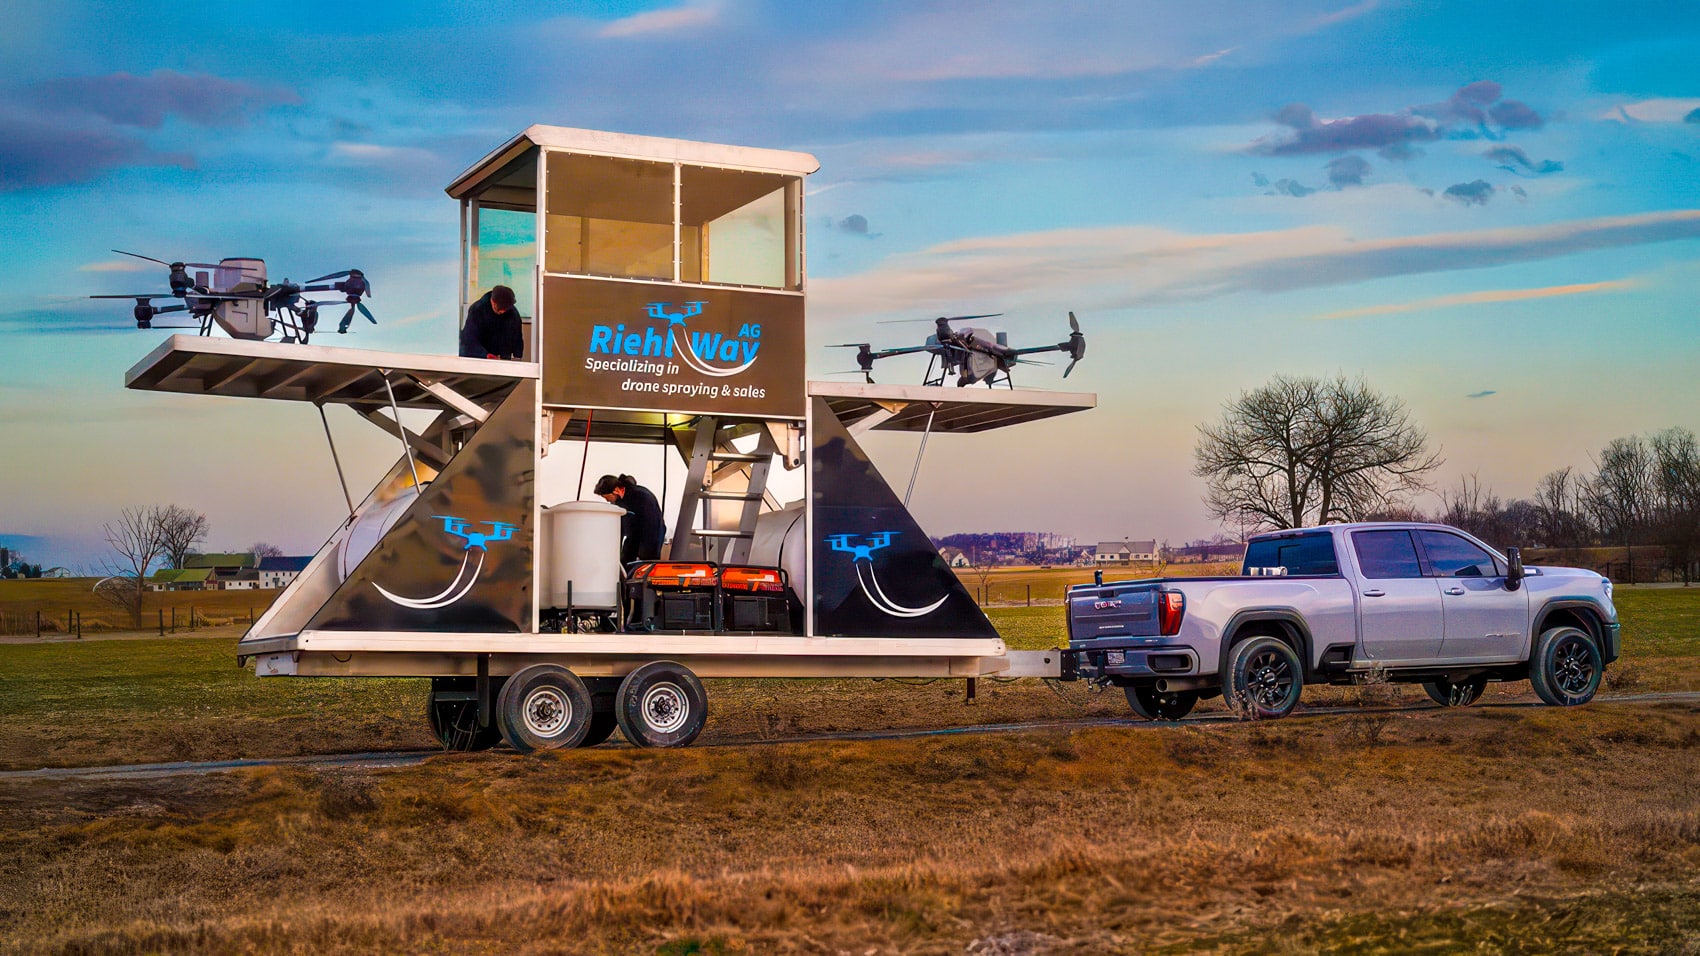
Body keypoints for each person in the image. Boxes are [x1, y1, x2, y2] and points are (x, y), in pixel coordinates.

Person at [595, 474, 664, 566]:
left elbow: (651, 526)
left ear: (616, 490)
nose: (607, 500)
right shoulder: (620, 501)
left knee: (641, 568)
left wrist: (642, 553)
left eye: (606, 497)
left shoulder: (641, 497)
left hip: (650, 538)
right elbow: (621, 527)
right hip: (634, 536)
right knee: (625, 564)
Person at [458, 285, 523, 360]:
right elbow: (469, 339)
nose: (502, 311)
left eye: (505, 309)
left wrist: (517, 356)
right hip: (481, 357)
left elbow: (517, 337)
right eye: (500, 308)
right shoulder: (477, 310)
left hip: (503, 357)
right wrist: (484, 355)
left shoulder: (513, 313)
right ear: (493, 301)